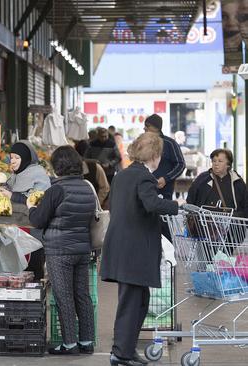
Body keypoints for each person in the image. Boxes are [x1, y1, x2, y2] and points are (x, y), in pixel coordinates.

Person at [100, 133, 179, 366]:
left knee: (138, 300)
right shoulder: (144, 178)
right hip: (134, 250)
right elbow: (152, 203)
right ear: (155, 155)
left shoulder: (123, 175)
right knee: (133, 303)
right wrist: (177, 206)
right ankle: (121, 354)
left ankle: (126, 349)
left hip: (122, 247)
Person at [27, 146, 97, 356]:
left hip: (59, 251)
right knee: (83, 296)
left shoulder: (56, 190)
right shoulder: (87, 186)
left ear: (58, 166)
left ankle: (69, 344)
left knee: (63, 296)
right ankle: (86, 341)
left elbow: (38, 221)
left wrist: (31, 206)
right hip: (82, 249)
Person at [0, 140, 51, 280]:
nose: (13, 161)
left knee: (33, 267)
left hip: (33, 229)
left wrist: (13, 196)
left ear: (26, 159)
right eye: (12, 157)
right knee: (18, 268)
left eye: (17, 158)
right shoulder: (17, 174)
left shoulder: (38, 173)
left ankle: (35, 295)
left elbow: (39, 199)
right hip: (18, 227)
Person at [187, 149, 248, 217]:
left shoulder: (237, 181)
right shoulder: (202, 179)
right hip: (204, 223)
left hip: (231, 223)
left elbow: (245, 205)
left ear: (228, 164)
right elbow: (190, 200)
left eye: (220, 161)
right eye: (214, 161)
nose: (216, 164)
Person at [143, 114, 186, 199]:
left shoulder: (170, 143)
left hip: (164, 192)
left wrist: (166, 178)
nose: (144, 128)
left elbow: (181, 165)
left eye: (147, 126)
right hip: (144, 190)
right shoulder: (143, 143)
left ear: (156, 128)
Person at [75, 140, 110, 205]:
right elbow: (105, 187)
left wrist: (97, 203)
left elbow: (105, 187)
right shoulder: (95, 166)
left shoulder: (94, 166)